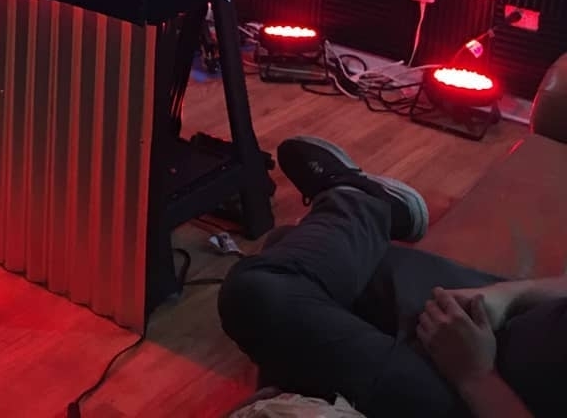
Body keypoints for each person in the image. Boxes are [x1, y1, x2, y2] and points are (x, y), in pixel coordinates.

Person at [219, 136, 565, 418]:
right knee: (297, 252)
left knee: (258, 294)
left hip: (477, 397)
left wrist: (476, 377)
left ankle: (362, 199)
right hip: (504, 328)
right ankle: (365, 204)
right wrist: (509, 296)